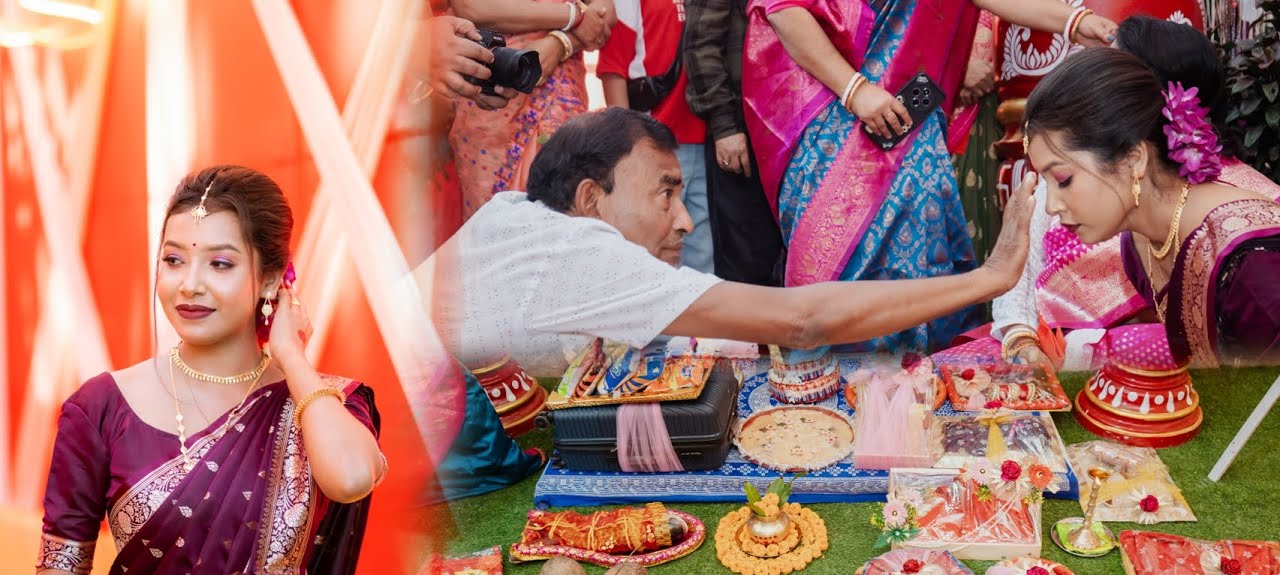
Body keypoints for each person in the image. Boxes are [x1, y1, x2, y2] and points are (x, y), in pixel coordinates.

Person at [35, 166, 386, 575]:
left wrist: (292, 357)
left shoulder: (326, 401)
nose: (188, 284)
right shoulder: (101, 407)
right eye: (173, 259)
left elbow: (349, 479)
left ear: (271, 279)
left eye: (220, 263)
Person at [419, 107, 1036, 377]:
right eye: (665, 193)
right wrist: (988, 279)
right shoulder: (579, 252)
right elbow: (801, 320)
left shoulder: (515, 214)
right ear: (589, 200)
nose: (686, 222)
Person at [741, 0, 1117, 353]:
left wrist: (1075, 21)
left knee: (920, 256)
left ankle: (917, 395)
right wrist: (855, 91)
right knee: (831, 265)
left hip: (908, 121)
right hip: (830, 111)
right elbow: (784, 7)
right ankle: (831, 397)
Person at [994, 15, 1280, 365]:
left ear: (1134, 158)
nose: (1050, 206)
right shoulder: (1140, 244)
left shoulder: (1251, 267)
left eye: (1064, 179)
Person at [447, 0, 616, 220]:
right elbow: (472, 7)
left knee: (565, 216)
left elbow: (606, 12)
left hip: (563, 95)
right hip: (495, 90)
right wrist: (574, 16)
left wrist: (561, 42)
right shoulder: (575, 14)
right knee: (494, 227)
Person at [598, 0, 714, 273]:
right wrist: (625, 144)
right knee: (651, 248)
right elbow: (613, 67)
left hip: (705, 140)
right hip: (654, 142)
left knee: (702, 252)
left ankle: (698, 314)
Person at [684, 0, 785, 285]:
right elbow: (700, 45)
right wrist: (725, 126)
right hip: (741, 132)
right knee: (746, 259)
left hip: (792, 130)